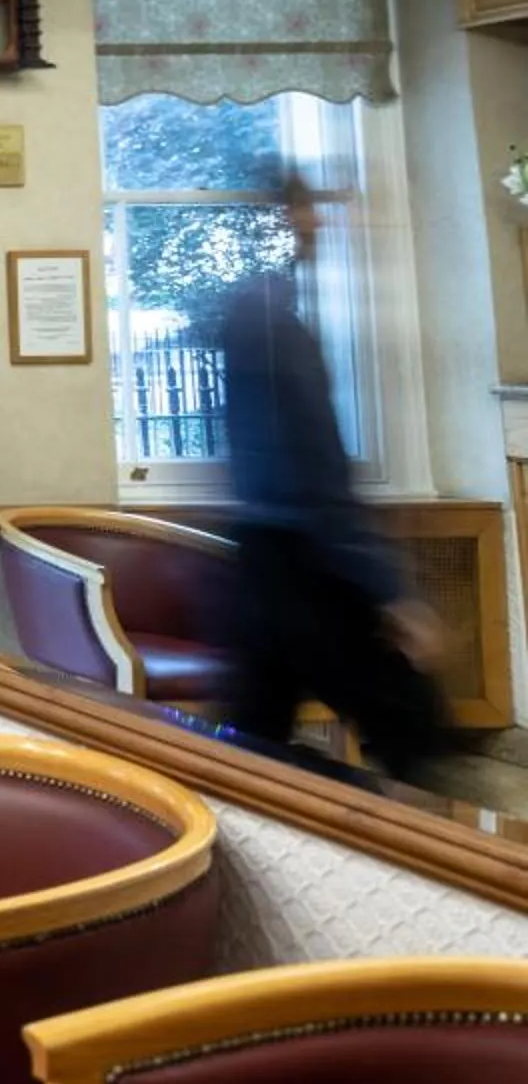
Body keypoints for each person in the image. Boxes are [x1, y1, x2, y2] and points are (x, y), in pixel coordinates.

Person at [214, 168, 446, 779]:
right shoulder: (275, 329)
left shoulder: (250, 313)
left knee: (251, 745)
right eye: (303, 209)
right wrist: (388, 588)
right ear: (278, 221)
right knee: (411, 728)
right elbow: (312, 467)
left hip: (265, 560)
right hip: (302, 562)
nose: (316, 222)